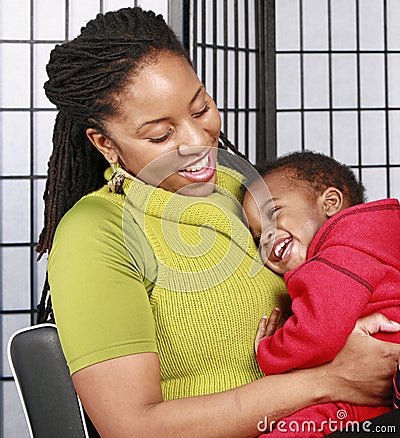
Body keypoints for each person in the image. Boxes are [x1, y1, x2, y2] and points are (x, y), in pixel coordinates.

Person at [36, 7, 400, 437]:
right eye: (160, 135)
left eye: (200, 107)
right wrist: (330, 380)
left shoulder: (241, 185)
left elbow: (334, 275)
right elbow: (133, 428)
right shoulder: (96, 231)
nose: (197, 143)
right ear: (105, 143)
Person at [242, 150, 400, 436]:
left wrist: (270, 352)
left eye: (274, 213)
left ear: (330, 203)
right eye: (257, 236)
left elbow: (319, 333)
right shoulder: (374, 236)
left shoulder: (338, 253)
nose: (265, 235)